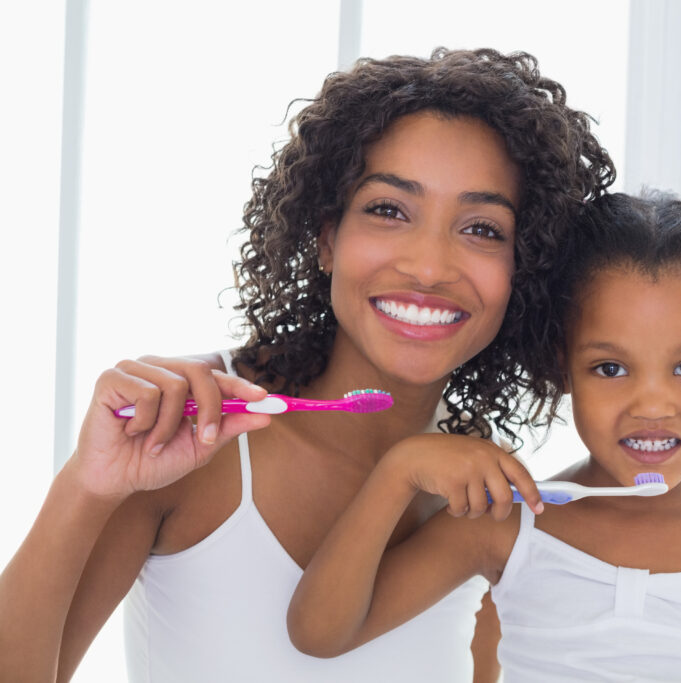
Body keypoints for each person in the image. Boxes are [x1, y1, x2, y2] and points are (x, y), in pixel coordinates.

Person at [0, 48, 615, 682]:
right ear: (326, 237)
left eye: (483, 228)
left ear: (526, 268)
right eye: (389, 210)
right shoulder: (195, 430)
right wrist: (87, 485)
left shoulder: (483, 498)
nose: (430, 267)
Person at [287, 161, 681, 682]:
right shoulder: (507, 524)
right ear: (561, 364)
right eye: (610, 367)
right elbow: (320, 633)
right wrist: (399, 470)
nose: (652, 406)